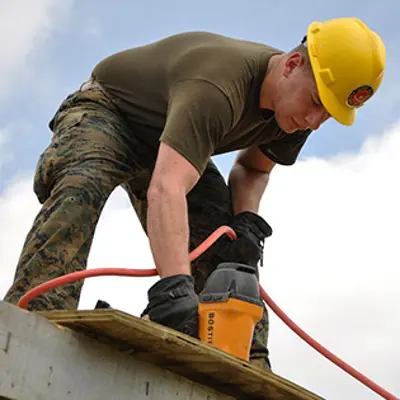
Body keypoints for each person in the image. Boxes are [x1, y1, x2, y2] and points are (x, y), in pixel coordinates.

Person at [3, 17, 385, 370]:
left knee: (230, 249)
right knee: (81, 190)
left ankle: (245, 359)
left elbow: (252, 168)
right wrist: (174, 289)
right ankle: (32, 318)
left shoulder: (297, 113)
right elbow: (167, 188)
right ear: (291, 66)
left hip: (171, 143)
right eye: (316, 103)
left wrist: (245, 220)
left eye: (329, 115)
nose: (314, 121)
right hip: (111, 113)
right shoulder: (218, 87)